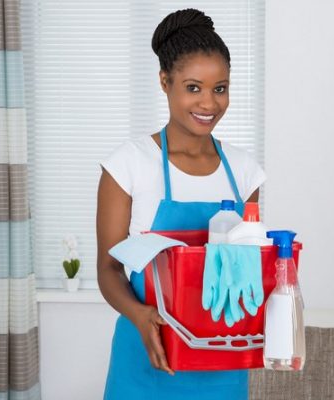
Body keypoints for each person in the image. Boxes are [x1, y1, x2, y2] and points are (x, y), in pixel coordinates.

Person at [96, 8, 266, 400]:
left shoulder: (244, 172)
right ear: (164, 82)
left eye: (220, 88)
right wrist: (141, 317)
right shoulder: (129, 165)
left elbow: (246, 271)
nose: (209, 103)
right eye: (194, 87)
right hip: (146, 355)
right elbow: (108, 269)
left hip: (223, 362)